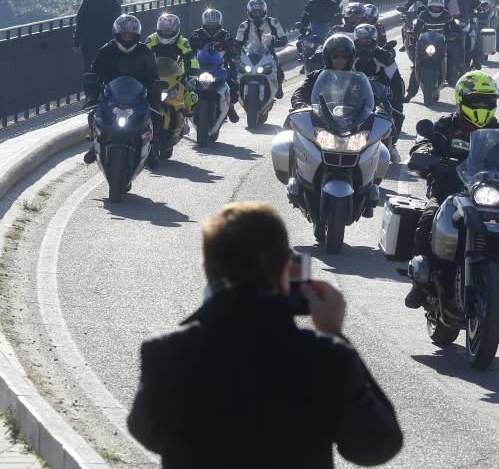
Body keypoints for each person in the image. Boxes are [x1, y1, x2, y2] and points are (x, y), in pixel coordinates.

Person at [127, 201, 403, 469]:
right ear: (287, 270)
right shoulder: (326, 358)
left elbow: (147, 431)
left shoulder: (165, 354)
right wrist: (334, 333)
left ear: (208, 269)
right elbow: (376, 446)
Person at [404, 71, 499, 309]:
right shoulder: (446, 125)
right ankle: (420, 283)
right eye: (475, 100)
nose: (481, 105)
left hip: (491, 192)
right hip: (449, 190)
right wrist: (426, 153)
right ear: (462, 100)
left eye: (487, 101)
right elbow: (425, 142)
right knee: (429, 217)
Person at [84, 15, 161, 169]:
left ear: (136, 35)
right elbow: (94, 73)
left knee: (157, 116)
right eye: (124, 34)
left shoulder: (145, 51)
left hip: (138, 98)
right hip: (111, 97)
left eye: (130, 35)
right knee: (93, 115)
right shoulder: (106, 50)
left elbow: (154, 77)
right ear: (117, 34)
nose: (127, 38)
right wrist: (92, 95)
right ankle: (95, 142)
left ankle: (151, 146)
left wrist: (155, 96)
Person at [353, 24, 403, 164]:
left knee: (397, 114)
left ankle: (392, 145)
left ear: (374, 40)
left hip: (379, 97)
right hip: (352, 97)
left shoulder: (385, 56)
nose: (364, 43)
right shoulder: (349, 55)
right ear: (356, 40)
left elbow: (395, 78)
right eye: (361, 40)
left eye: (367, 40)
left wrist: (398, 95)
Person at [189, 9, 239, 123]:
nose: (211, 25)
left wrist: (235, 58)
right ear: (204, 22)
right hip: (200, 66)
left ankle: (230, 107)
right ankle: (186, 109)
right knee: (186, 83)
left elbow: (233, 50)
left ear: (219, 22)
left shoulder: (226, 35)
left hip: (220, 66)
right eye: (209, 23)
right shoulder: (197, 34)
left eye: (214, 23)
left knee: (233, 82)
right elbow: (189, 51)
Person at [235, 0, 287, 98]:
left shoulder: (273, 22)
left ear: (264, 11)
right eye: (255, 12)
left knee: (279, 72)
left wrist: (274, 45)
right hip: (249, 55)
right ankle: (238, 93)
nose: (257, 14)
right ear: (250, 12)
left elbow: (283, 39)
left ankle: (279, 87)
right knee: (236, 74)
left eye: (259, 12)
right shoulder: (243, 26)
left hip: (268, 53)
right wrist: (235, 54)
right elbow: (238, 43)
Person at [404, 0, 451, 102]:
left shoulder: (446, 15)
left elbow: (451, 28)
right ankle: (410, 94)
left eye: (438, 7)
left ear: (442, 7)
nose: (435, 9)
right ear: (429, 6)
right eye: (433, 7)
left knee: (453, 58)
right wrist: (413, 34)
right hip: (425, 43)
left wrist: (451, 35)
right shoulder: (423, 14)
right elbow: (417, 29)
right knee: (416, 64)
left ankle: (454, 80)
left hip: (441, 44)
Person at [290, 34, 355, 110]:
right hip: (319, 118)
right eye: (335, 56)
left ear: (350, 58)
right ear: (328, 57)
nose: (340, 59)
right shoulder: (316, 76)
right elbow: (299, 93)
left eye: (344, 56)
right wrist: (299, 104)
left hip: (351, 119)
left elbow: (368, 98)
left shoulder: (356, 79)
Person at [72, 0, 121, 70]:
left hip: (107, 44)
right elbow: (80, 23)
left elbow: (118, 26)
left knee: (107, 69)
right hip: (89, 44)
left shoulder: (113, 3)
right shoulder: (87, 2)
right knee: (89, 70)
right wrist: (76, 42)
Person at [145, 13, 200, 80]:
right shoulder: (151, 39)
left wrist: (192, 78)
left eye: (168, 30)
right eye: (163, 30)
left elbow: (192, 60)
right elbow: (142, 57)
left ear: (176, 30)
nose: (165, 33)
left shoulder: (182, 41)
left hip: (177, 78)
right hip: (154, 77)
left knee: (190, 91)